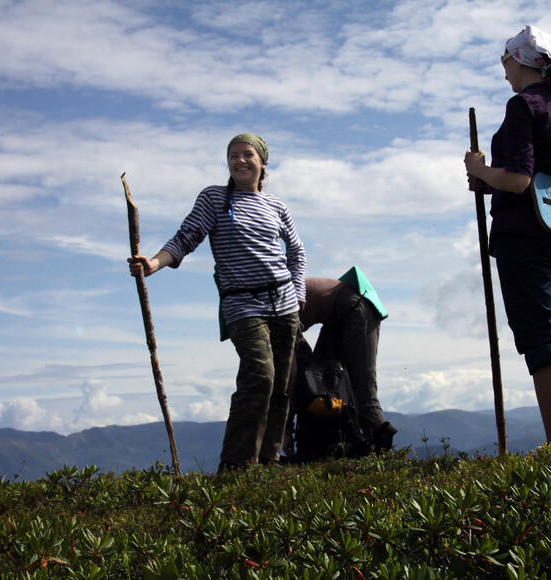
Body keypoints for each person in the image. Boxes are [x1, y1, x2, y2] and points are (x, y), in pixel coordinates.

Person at [128, 133, 306, 471]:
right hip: (242, 304)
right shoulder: (215, 199)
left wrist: (298, 296)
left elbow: (297, 252)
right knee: (261, 375)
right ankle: (237, 465)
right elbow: (187, 236)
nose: (240, 160)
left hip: (284, 304)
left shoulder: (276, 205)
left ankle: (269, 460)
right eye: (233, 155)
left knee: (281, 386)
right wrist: (152, 264)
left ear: (262, 163)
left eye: (247, 154)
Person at [464, 26, 551, 445]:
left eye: (506, 60)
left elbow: (518, 180)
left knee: (541, 338)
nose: (504, 69)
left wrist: (479, 170)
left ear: (524, 61)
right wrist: (489, 182)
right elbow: (544, 175)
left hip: (524, 234)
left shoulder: (521, 106)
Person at [283, 276, 396, 456]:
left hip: (357, 307)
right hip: (335, 317)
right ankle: (328, 449)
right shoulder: (266, 301)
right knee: (320, 388)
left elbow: (290, 374)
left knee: (364, 393)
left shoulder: (272, 309)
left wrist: (286, 429)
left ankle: (384, 454)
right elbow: (302, 364)